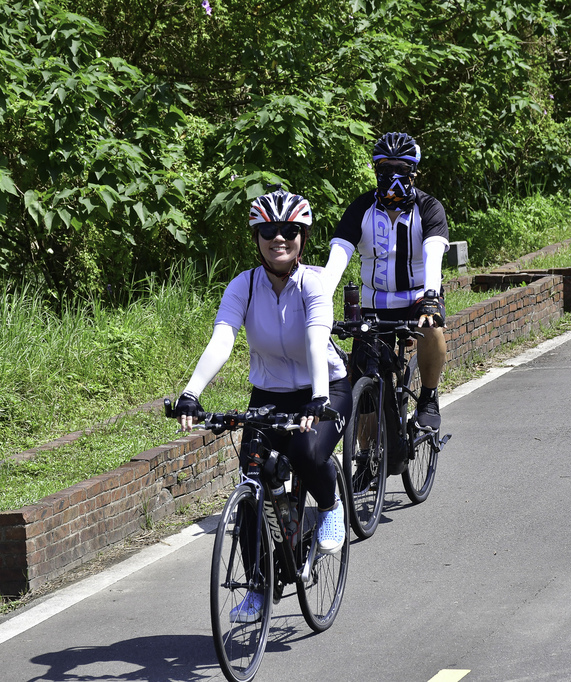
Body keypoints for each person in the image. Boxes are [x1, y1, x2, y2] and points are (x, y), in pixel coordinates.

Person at [172, 187, 352, 623]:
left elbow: (314, 338)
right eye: (269, 231)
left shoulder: (314, 283)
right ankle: (258, 586)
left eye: (289, 231)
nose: (279, 239)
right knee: (252, 486)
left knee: (309, 452)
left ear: (302, 238)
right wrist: (192, 392)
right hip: (269, 394)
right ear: (257, 237)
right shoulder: (244, 285)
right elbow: (223, 338)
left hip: (325, 386)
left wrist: (319, 397)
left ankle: (329, 506)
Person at [322, 132, 450, 440]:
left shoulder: (428, 208)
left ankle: (429, 398)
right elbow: (337, 258)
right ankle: (367, 458)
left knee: (431, 327)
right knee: (362, 385)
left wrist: (431, 296)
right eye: (384, 168)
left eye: (402, 169)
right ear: (375, 170)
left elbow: (434, 254)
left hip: (419, 296)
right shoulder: (361, 208)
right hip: (374, 303)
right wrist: (320, 298)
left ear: (414, 171)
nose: (392, 176)